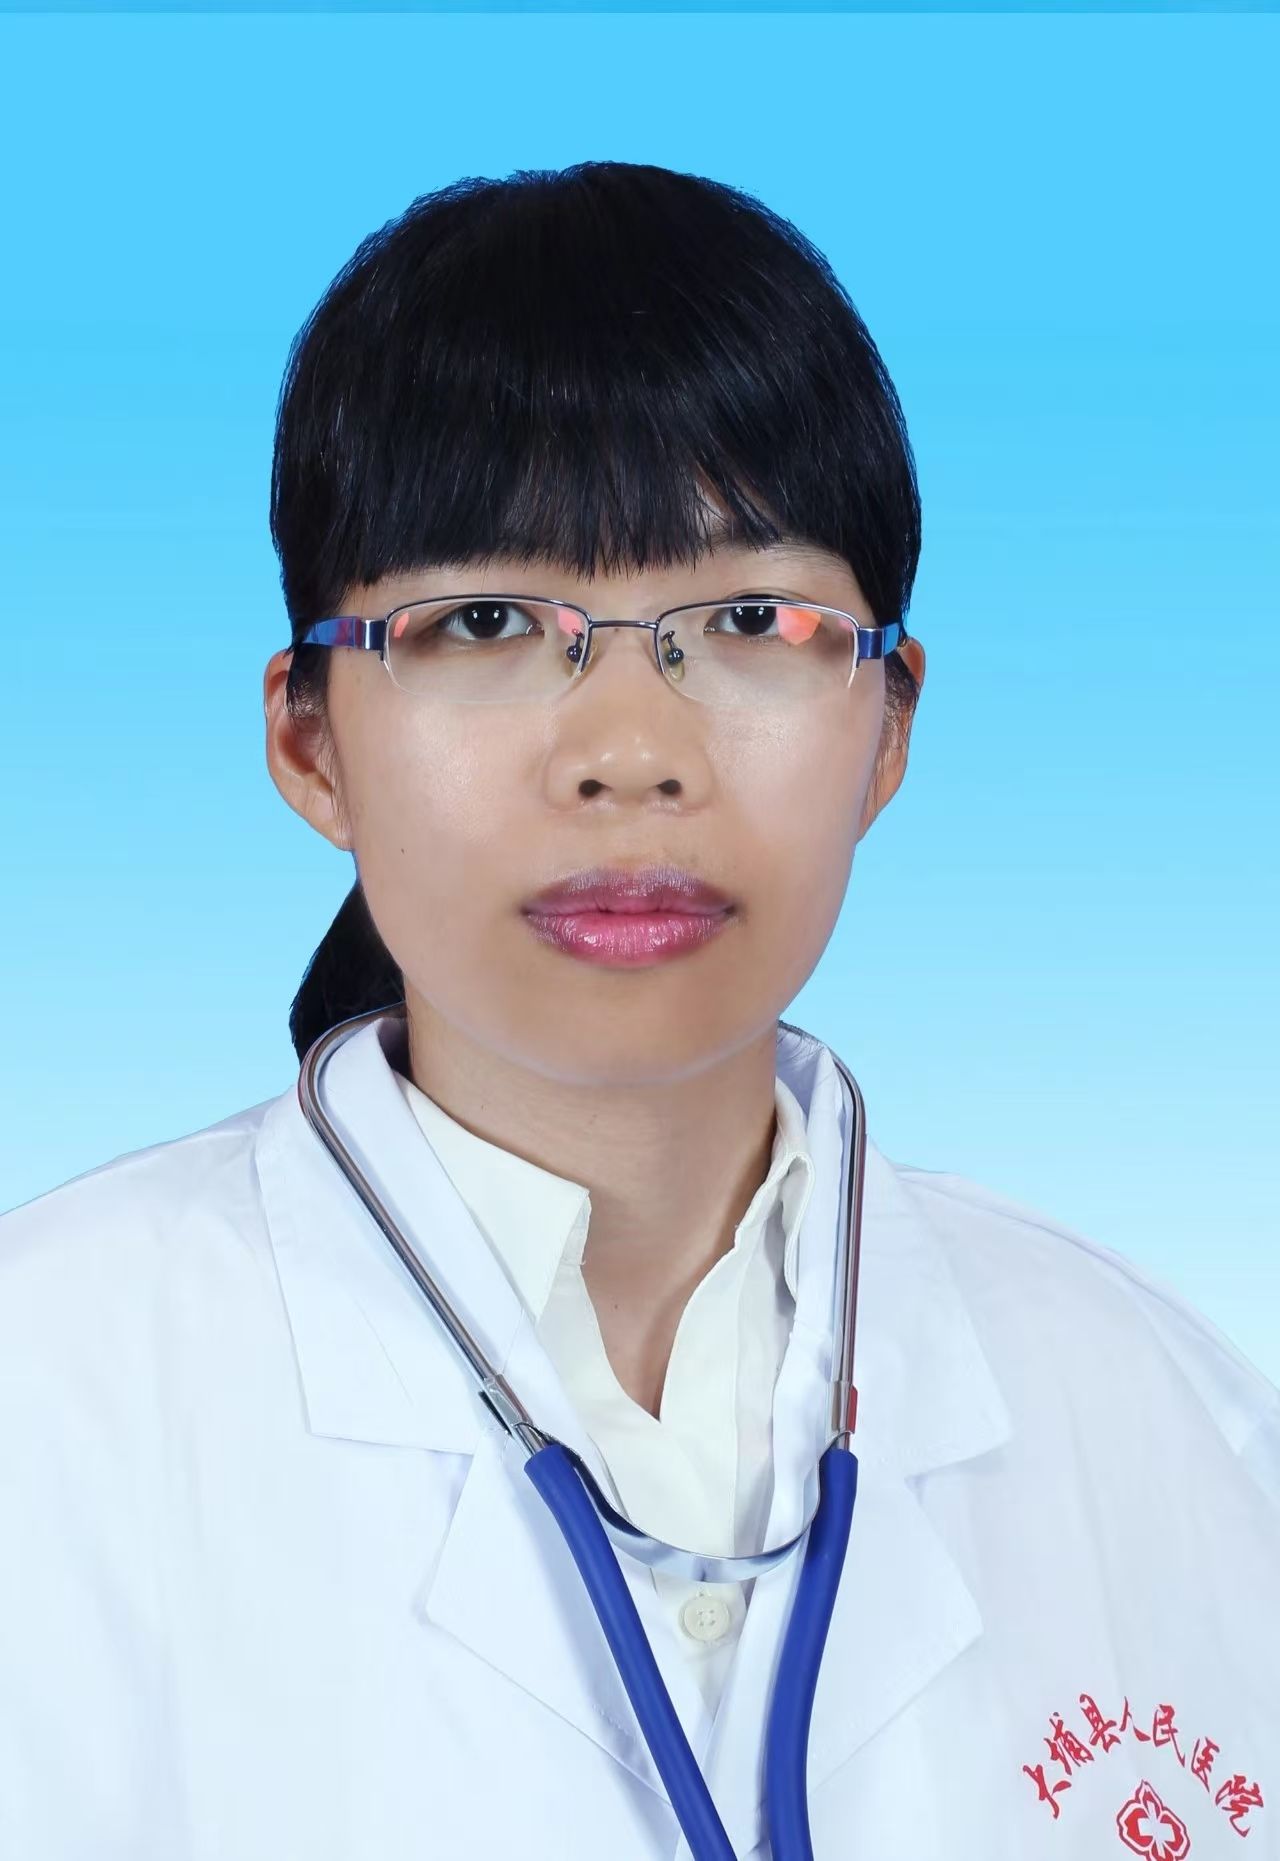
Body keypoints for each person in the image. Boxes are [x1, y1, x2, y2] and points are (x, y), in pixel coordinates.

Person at [1, 160, 1277, 1861]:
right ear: (310, 740)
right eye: (485, 620)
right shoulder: (48, 1403)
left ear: (888, 724)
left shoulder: (1162, 1414)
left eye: (747, 618)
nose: (628, 750)